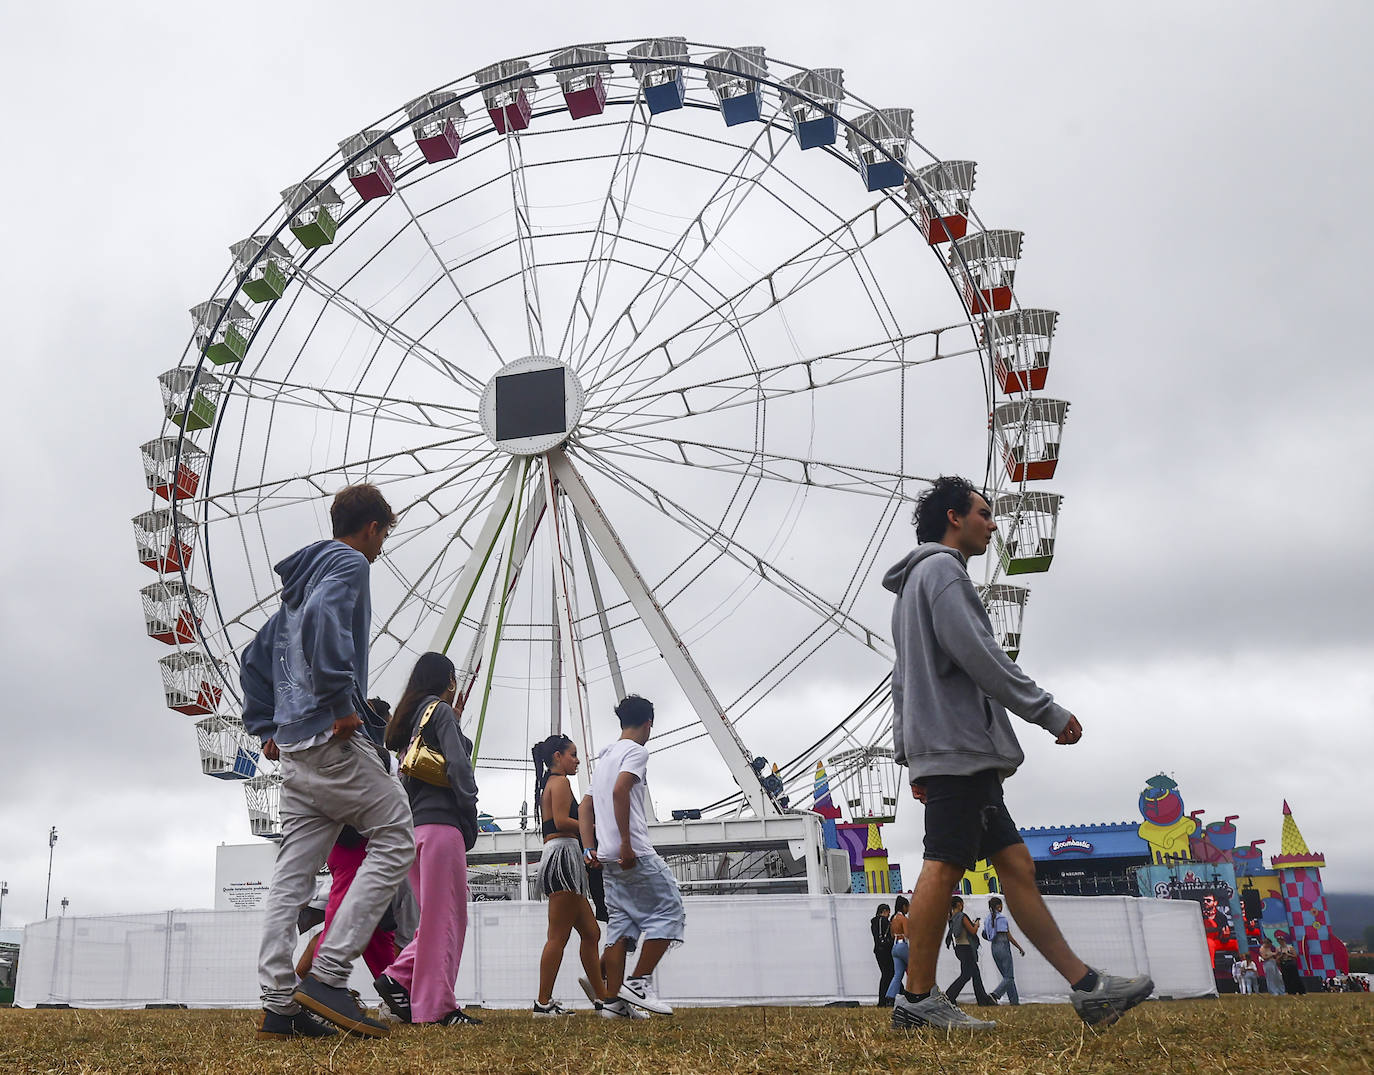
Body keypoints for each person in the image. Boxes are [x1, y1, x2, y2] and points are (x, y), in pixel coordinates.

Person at [882, 476, 1153, 1032]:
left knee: (1016, 866)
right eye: (983, 513)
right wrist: (1047, 711)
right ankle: (916, 999)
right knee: (944, 861)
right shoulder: (942, 574)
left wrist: (909, 754)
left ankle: (1087, 988)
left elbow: (902, 678)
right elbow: (982, 656)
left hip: (948, 748)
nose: (992, 523)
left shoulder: (914, 585)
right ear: (954, 519)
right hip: (959, 746)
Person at [241, 483, 413, 1040]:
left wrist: (266, 724)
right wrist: (342, 704)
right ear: (372, 529)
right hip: (333, 739)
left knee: (292, 876)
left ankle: (277, 1003)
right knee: (395, 836)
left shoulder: (297, 585)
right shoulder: (347, 563)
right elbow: (323, 620)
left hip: (294, 751)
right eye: (384, 534)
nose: (382, 546)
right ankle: (330, 973)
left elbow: (253, 657)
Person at [373, 652, 482, 1027]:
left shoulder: (408, 724)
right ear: (449, 680)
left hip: (414, 830)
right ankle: (435, 1005)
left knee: (433, 920)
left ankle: (404, 981)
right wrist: (470, 810)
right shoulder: (440, 713)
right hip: (442, 827)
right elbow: (458, 767)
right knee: (448, 920)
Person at [588, 695, 683, 1018]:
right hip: (633, 852)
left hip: (606, 856)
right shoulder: (636, 751)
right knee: (670, 909)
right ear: (648, 724)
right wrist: (626, 843)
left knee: (621, 926)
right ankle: (639, 982)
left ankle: (613, 1003)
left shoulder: (604, 757)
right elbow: (620, 790)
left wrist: (592, 847)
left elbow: (587, 805)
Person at [530, 734, 613, 1017]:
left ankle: (602, 999)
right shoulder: (561, 782)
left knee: (591, 932)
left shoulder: (548, 784)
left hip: (562, 857)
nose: (577, 760)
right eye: (573, 754)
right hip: (563, 858)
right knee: (557, 937)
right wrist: (593, 826)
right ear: (557, 756)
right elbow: (563, 820)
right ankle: (542, 1003)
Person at [944, 896, 995, 1006]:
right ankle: (949, 995)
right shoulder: (962, 916)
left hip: (959, 948)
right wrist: (976, 924)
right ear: (959, 904)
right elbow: (972, 931)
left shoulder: (952, 917)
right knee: (966, 975)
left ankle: (982, 999)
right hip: (967, 948)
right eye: (962, 904)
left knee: (975, 974)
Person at [983, 896, 1025, 1005]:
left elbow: (986, 934)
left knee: (1007, 977)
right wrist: (1019, 947)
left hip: (994, 947)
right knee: (1009, 976)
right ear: (998, 906)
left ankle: (1014, 1001)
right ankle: (995, 995)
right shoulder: (1001, 918)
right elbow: (1008, 935)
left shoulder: (987, 919)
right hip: (1003, 946)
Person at [882, 897, 911, 1005]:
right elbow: (908, 934)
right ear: (904, 907)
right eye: (908, 907)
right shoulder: (903, 919)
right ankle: (915, 995)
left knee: (898, 974)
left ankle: (890, 996)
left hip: (894, 947)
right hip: (902, 945)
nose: (908, 909)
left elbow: (891, 934)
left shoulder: (893, 919)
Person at [871, 902, 895, 1006]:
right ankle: (883, 1000)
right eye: (888, 913)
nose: (889, 915)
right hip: (884, 950)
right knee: (888, 974)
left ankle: (885, 999)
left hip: (878, 950)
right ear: (884, 911)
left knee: (887, 974)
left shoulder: (874, 923)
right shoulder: (882, 920)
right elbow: (883, 936)